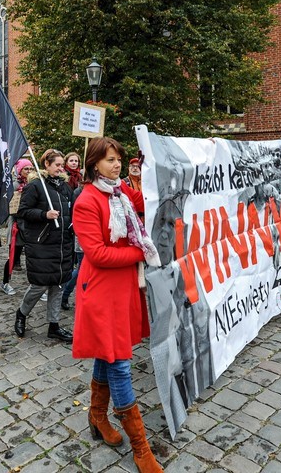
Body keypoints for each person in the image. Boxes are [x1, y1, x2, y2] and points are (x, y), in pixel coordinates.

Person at [72, 136, 163, 472]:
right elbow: (97, 254)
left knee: (107, 354)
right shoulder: (86, 200)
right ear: (94, 163)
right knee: (120, 361)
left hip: (122, 286)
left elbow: (148, 198)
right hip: (100, 289)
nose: (116, 164)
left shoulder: (119, 192)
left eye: (118, 159)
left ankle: (97, 417)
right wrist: (141, 252)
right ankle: (141, 448)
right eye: (110, 159)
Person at [13, 149, 75, 343]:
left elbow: (71, 211)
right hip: (42, 244)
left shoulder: (65, 187)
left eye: (61, 165)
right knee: (39, 285)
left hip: (62, 243)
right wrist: (43, 215)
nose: (60, 168)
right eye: (57, 164)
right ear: (46, 165)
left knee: (58, 285)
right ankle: (22, 313)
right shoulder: (35, 186)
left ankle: (54, 325)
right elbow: (23, 211)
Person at [1, 158, 33, 296]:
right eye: (26, 169)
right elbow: (8, 205)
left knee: (33, 257)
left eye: (31, 169)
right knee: (13, 256)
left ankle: (35, 286)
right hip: (17, 226)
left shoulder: (34, 184)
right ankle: (5, 282)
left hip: (30, 226)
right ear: (20, 170)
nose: (29, 171)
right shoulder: (13, 185)